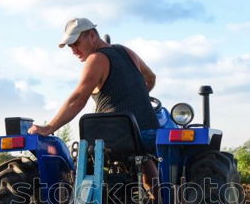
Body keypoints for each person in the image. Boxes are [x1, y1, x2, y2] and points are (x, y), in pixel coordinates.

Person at [27, 17, 158, 148]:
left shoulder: (96, 59)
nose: (73, 51)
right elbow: (150, 78)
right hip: (153, 134)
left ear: (92, 36)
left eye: (76, 43)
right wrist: (137, 98)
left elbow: (78, 100)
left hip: (120, 138)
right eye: (70, 46)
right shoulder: (127, 51)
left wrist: (49, 127)